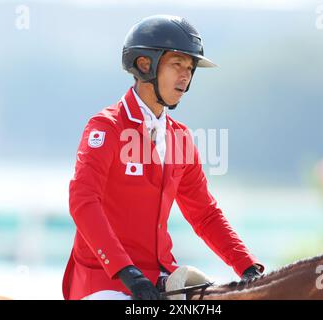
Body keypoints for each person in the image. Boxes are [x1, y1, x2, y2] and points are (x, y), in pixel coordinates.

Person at [62, 14, 264, 300]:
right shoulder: (107, 127)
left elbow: (204, 214)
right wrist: (126, 271)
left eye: (190, 68)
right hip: (105, 282)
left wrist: (247, 267)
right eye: (177, 64)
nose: (185, 76)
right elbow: (83, 201)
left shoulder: (181, 138)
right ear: (145, 65)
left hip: (161, 281)